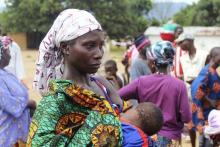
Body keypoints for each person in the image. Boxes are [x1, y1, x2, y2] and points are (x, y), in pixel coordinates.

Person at [28, 9, 128, 146]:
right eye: (90, 46)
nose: (99, 53)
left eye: (100, 45)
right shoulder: (54, 102)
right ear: (65, 48)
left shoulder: (102, 84)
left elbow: (127, 119)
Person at [119, 41, 191, 147]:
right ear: (171, 61)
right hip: (171, 138)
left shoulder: (141, 82)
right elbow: (186, 117)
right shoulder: (179, 85)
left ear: (152, 62)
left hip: (146, 137)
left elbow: (118, 96)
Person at [0, 39, 35, 146]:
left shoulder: (6, 73)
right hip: (7, 138)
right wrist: (29, 103)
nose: (10, 54)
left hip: (19, 136)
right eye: (7, 51)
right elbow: (10, 104)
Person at [176, 33, 208, 147]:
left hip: (202, 95)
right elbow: (183, 77)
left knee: (202, 122)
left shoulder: (204, 55)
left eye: (181, 42)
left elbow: (208, 74)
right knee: (190, 123)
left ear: (189, 41)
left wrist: (196, 80)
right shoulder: (182, 59)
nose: (180, 45)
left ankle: (202, 144)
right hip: (188, 94)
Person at [191, 47, 220, 147]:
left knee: (205, 140)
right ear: (214, 57)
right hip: (206, 113)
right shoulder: (207, 71)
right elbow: (196, 89)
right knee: (208, 141)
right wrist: (210, 101)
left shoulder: (213, 71)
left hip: (210, 114)